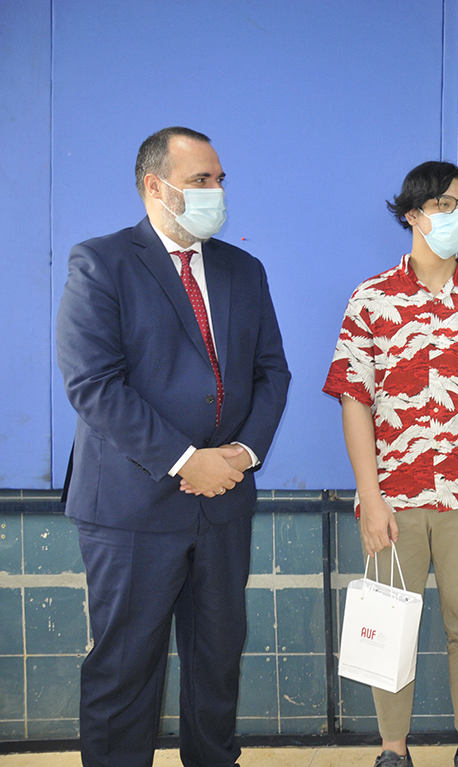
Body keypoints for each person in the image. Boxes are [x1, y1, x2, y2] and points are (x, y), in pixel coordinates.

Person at [56, 126, 291, 767]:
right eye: (200, 180)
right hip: (131, 506)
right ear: (154, 187)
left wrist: (242, 456)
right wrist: (187, 461)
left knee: (218, 664)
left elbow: (272, 373)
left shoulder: (244, 270)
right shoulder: (101, 262)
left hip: (224, 504)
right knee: (126, 669)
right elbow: (93, 384)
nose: (216, 191)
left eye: (219, 179)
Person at [323, 161, 458, 767]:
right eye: (443, 205)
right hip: (394, 496)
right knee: (391, 626)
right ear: (412, 213)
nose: (457, 216)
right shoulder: (372, 299)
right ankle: (393, 750)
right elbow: (354, 399)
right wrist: (370, 497)